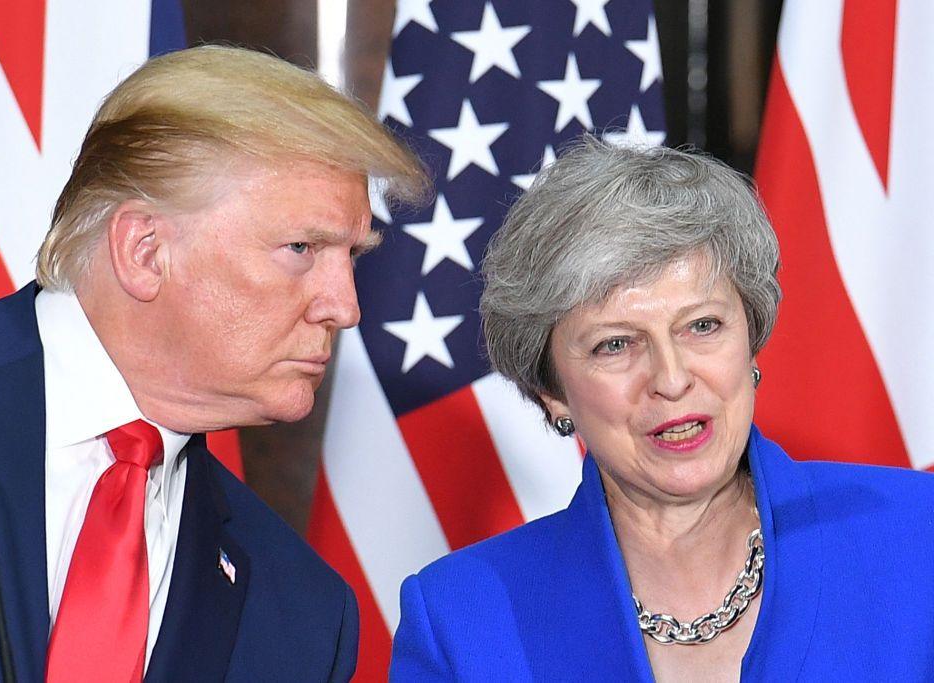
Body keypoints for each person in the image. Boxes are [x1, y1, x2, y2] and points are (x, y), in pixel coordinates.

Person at [0, 45, 426, 682]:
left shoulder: (301, 613)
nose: (345, 308)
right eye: (302, 247)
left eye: (353, 257)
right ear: (145, 250)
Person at [389, 137, 934, 681]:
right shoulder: (461, 623)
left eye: (702, 326)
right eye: (616, 345)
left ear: (751, 341)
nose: (671, 380)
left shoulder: (917, 538)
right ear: (552, 392)